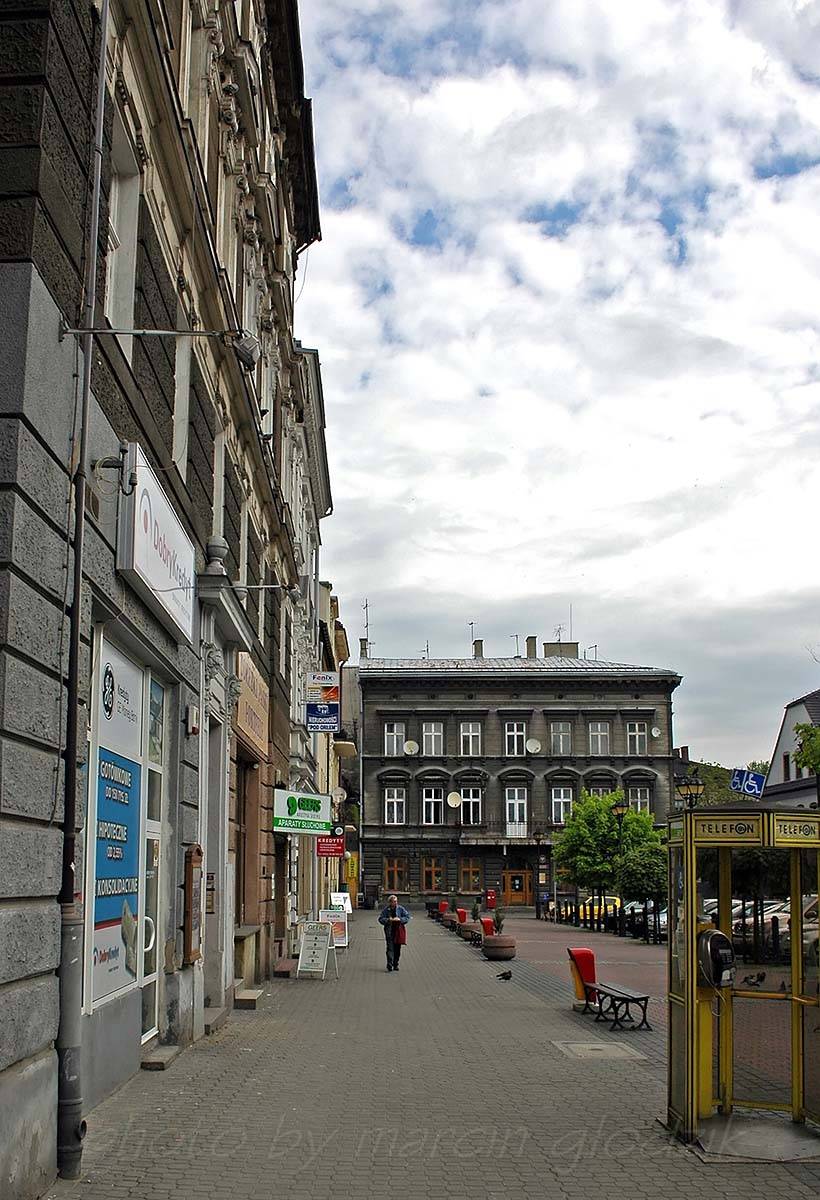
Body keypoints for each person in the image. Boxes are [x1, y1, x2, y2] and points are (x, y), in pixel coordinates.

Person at [378, 894, 410, 972]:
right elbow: (380, 919)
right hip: (389, 932)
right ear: (390, 902)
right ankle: (389, 965)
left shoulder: (400, 909)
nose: (395, 903)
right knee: (390, 948)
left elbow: (407, 917)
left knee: (397, 949)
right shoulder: (386, 910)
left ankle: (395, 964)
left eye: (396, 901)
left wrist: (400, 919)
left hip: (398, 932)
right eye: (393, 901)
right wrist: (388, 920)